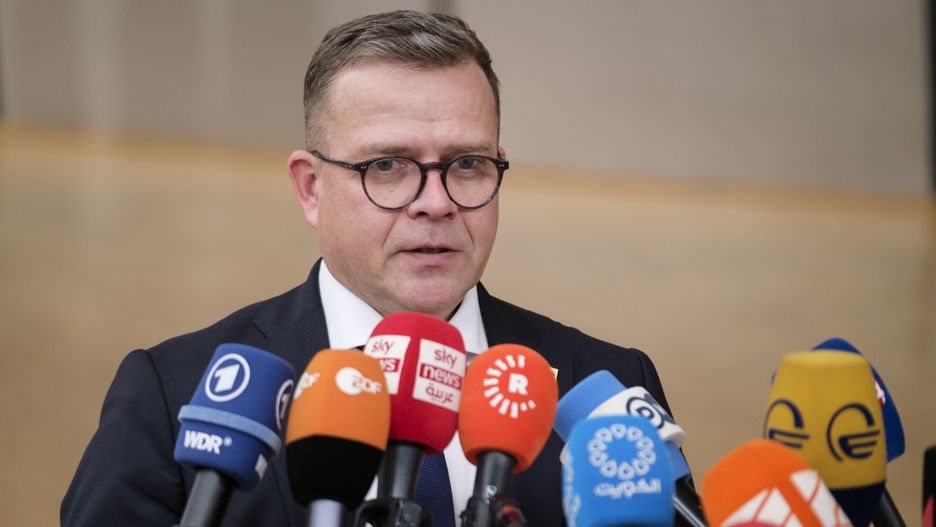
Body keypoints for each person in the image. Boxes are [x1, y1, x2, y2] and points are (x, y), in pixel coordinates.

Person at [62, 10, 673, 527]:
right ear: (310, 189)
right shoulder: (177, 394)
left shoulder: (609, 389)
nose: (435, 202)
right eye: (387, 166)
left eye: (466, 164)